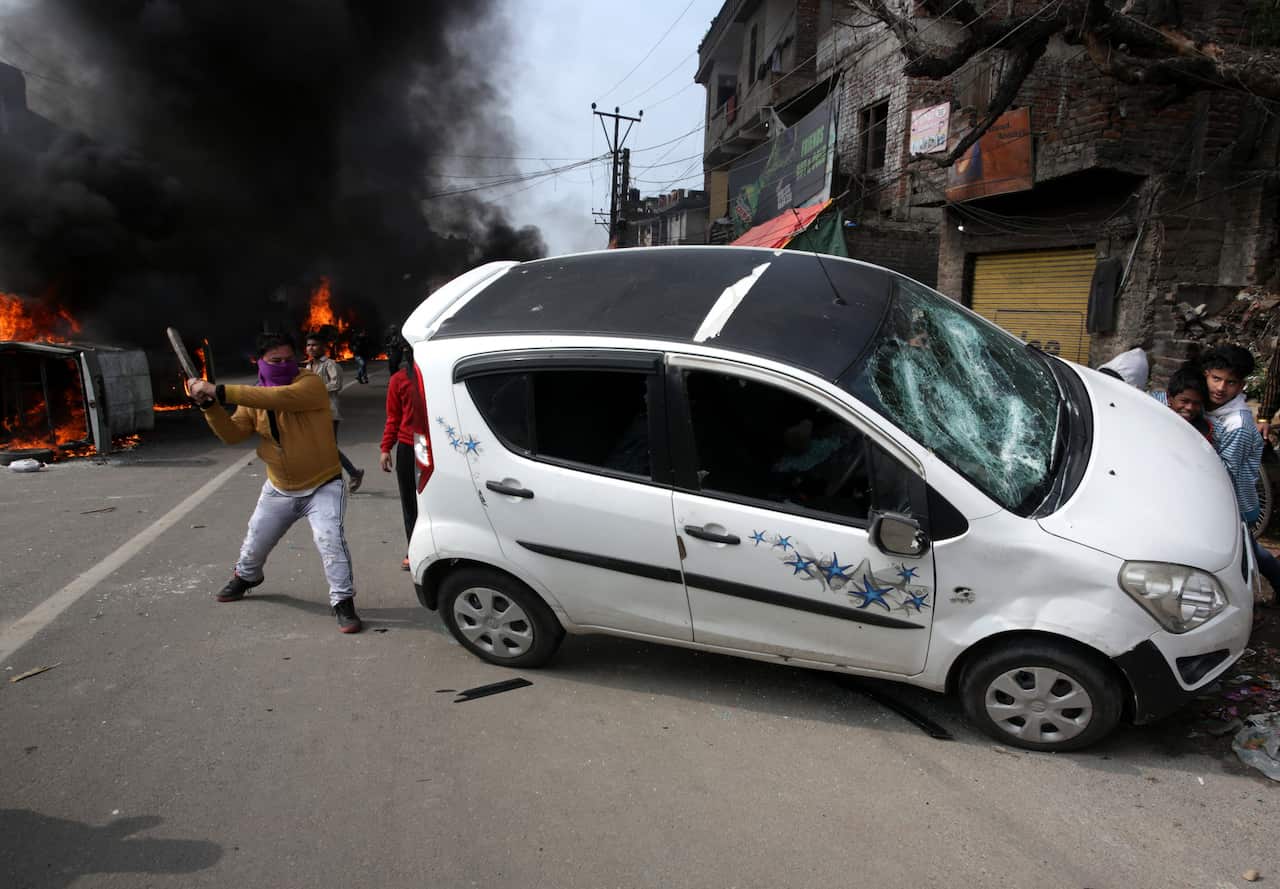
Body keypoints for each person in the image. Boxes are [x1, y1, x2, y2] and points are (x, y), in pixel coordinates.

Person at [189, 331, 362, 634]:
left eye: (288, 359)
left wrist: (217, 390)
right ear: (260, 362)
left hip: (323, 484)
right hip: (279, 487)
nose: (284, 365)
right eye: (275, 361)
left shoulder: (309, 384)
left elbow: (278, 399)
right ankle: (247, 576)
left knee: (330, 541)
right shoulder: (251, 398)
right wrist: (209, 406)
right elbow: (232, 434)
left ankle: (343, 601)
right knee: (255, 542)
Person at [1200, 344, 1280, 595]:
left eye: (1231, 382)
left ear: (1242, 385)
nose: (1221, 388)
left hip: (1236, 501)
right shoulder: (1201, 403)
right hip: (1219, 497)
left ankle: (1247, 602)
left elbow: (1224, 474)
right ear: (1206, 374)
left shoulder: (1239, 425)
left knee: (1243, 553)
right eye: (1216, 379)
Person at [303, 334, 365, 492]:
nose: (311, 348)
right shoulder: (308, 367)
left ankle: (349, 474)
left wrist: (315, 390)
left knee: (328, 447)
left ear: (323, 347)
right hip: (313, 412)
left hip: (329, 412)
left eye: (315, 345)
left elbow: (336, 384)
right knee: (318, 447)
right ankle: (344, 476)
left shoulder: (330, 364)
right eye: (309, 345)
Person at [380, 352, 423, 571]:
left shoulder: (437, 374)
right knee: (410, 503)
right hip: (408, 447)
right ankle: (414, 550)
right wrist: (386, 447)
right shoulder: (399, 379)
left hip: (439, 448)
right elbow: (393, 416)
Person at [1151, 363, 1213, 444]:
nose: (1190, 407)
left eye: (1197, 403)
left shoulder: (1202, 430)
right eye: (1185, 401)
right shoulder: (1151, 410)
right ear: (1169, 398)